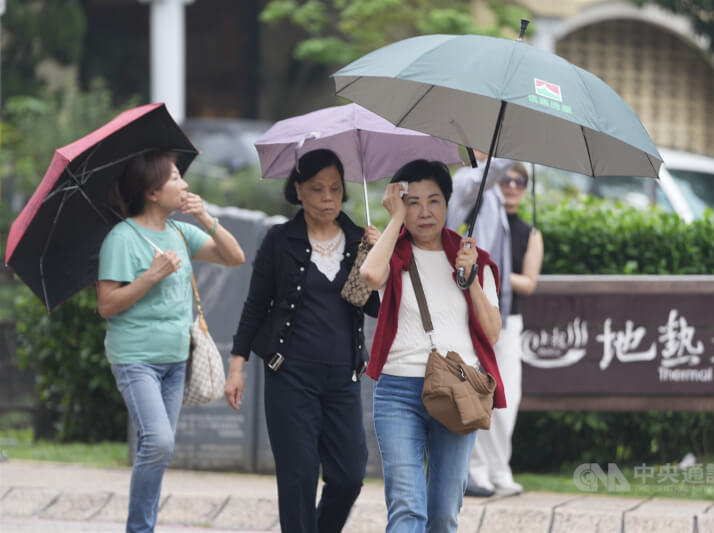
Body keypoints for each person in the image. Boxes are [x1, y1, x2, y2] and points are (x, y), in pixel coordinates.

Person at [225, 149, 380, 533]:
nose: (328, 198)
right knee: (299, 477)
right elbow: (255, 305)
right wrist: (237, 365)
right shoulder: (279, 240)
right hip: (290, 375)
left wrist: (378, 257)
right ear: (298, 190)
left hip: (343, 377)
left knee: (348, 476)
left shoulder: (360, 240)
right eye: (317, 188)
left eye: (335, 189)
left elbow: (374, 306)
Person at [96, 151, 245, 533]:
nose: (185, 184)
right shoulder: (121, 238)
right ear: (151, 192)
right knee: (159, 443)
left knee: (158, 448)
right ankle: (140, 529)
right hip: (136, 358)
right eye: (176, 178)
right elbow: (107, 305)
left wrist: (205, 218)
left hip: (176, 360)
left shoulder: (180, 233)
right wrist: (150, 276)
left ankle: (142, 526)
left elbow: (235, 257)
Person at [360, 159, 506, 533]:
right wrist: (394, 220)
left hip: (459, 390)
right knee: (407, 508)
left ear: (448, 202)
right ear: (399, 204)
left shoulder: (473, 258)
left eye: (434, 200)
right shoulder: (391, 253)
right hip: (398, 391)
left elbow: (492, 333)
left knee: (443, 513)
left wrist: (471, 279)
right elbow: (369, 276)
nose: (425, 212)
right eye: (413, 202)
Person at [463, 162, 544, 497]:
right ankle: (476, 471)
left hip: (509, 320)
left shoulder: (530, 232)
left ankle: (500, 469)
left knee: (505, 398)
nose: (512, 186)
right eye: (506, 179)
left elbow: (529, 282)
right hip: (474, 316)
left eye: (519, 181)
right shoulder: (478, 217)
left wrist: (493, 267)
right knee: (474, 392)